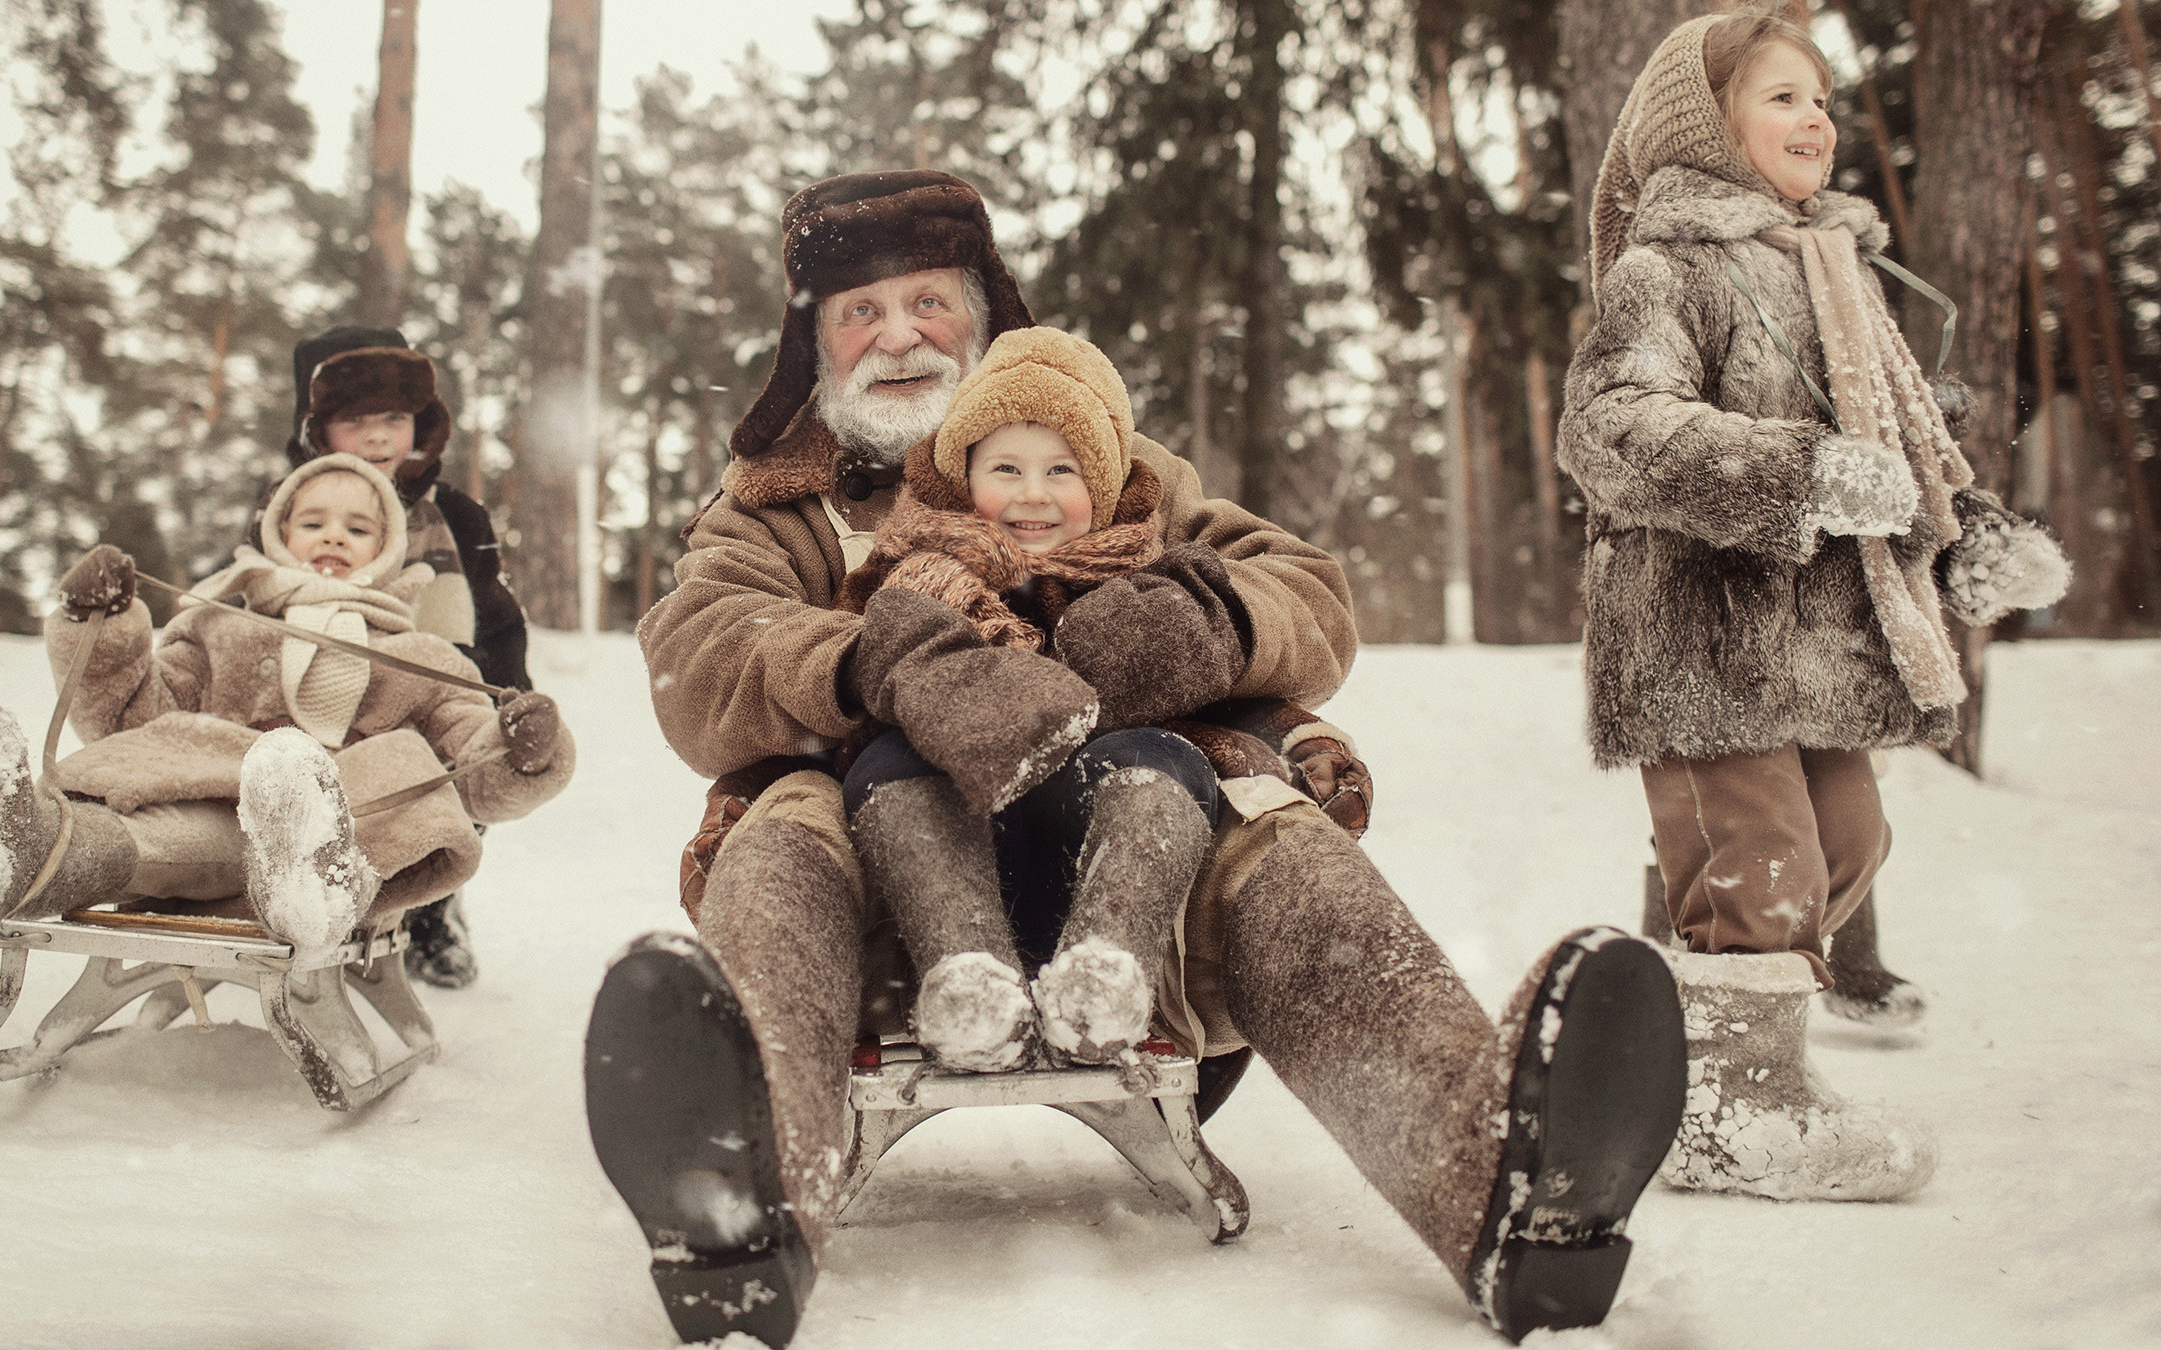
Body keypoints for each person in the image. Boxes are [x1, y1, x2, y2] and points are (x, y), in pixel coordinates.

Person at [584, 169, 1686, 1348]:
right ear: (816, 341)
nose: (898, 335)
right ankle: (738, 1204)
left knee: (1270, 830)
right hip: (873, 896)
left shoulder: (1111, 463)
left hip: (1144, 889)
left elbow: (1308, 591)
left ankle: (1504, 1187)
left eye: (926, 302)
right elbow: (699, 655)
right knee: (782, 830)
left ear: (984, 312)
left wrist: (1195, 624)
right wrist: (877, 668)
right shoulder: (773, 512)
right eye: (859, 311)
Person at [1558, 10, 2069, 1202]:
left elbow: (1907, 443)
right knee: (1767, 865)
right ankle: (1733, 1110)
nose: (1817, 119)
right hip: (1701, 637)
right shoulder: (1664, 266)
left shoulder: (1839, 271)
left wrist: (1966, 530)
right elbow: (1609, 430)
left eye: (1822, 99)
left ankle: (1686, 1020)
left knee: (1850, 846)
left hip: (1824, 646)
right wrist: (1798, 470)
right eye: (1783, 96)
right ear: (1705, 125)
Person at [0, 454, 572, 965]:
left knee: (397, 767)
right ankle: (10, 853)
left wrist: (520, 752)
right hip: (218, 810)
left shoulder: (423, 656)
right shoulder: (219, 626)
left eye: (358, 528)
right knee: (153, 840)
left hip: (352, 824)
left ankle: (319, 879)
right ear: (277, 535)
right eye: (313, 522)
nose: (334, 537)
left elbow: (472, 769)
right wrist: (103, 624)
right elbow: (132, 714)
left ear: (388, 550)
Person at [834, 323, 1265, 1072]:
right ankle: (967, 979)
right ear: (966, 480)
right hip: (950, 873)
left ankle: (1104, 974)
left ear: (1099, 492)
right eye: (1006, 467)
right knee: (891, 757)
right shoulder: (914, 572)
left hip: (1091, 861)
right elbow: (865, 675)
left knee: (1160, 757)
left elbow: (1218, 676)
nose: (1033, 496)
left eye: (1062, 471)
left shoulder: (1144, 579)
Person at [277, 329, 530, 986]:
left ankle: (430, 910)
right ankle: (294, 895)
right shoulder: (289, 510)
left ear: (421, 423)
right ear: (317, 429)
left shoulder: (457, 517)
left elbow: (494, 611)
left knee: (446, 769)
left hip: (424, 693)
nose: (380, 438)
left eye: (394, 419)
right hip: (310, 688)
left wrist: (499, 691)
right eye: (356, 422)